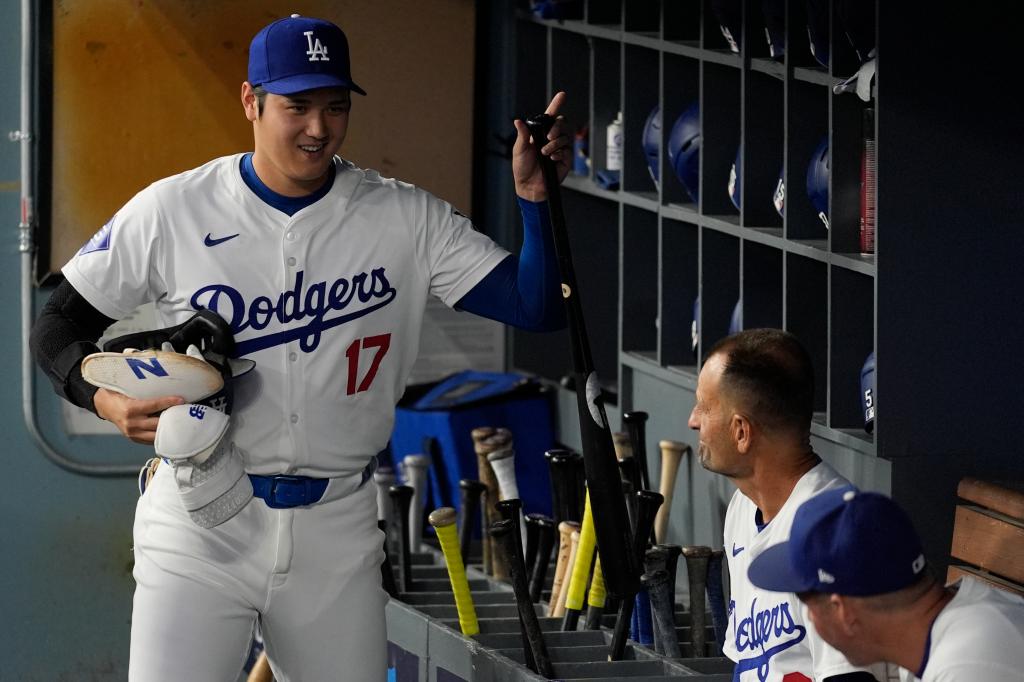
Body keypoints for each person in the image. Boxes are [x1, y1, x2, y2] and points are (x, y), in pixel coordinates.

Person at [30, 14, 571, 681]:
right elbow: (57, 324)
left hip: (337, 525)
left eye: (335, 106)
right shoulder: (174, 209)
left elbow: (535, 305)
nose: (318, 128)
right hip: (200, 521)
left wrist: (535, 197)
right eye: (297, 106)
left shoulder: (404, 217)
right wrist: (102, 399)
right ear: (251, 101)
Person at [687, 328, 885, 681]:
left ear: (741, 432)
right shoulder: (742, 508)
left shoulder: (835, 533)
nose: (693, 420)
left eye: (704, 407)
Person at [748, 487, 1024, 682]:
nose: (809, 618)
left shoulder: (969, 665)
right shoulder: (938, 637)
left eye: (807, 606)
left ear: (842, 611)